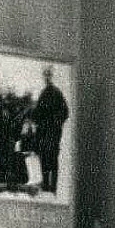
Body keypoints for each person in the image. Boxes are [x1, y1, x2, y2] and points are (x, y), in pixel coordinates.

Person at [29, 66, 70, 196]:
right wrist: (34, 117)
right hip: (44, 132)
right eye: (45, 76)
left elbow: (65, 112)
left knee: (52, 158)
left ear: (51, 77)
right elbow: (37, 113)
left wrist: (55, 123)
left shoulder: (57, 93)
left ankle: (53, 187)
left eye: (48, 76)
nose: (46, 78)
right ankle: (47, 184)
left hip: (52, 132)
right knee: (45, 157)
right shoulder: (43, 93)